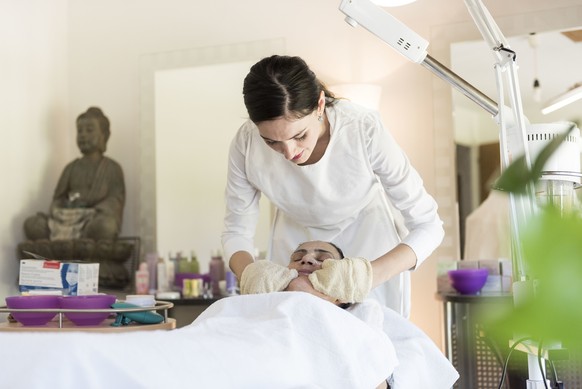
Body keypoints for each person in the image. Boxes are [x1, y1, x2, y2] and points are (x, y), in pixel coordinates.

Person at [222, 55, 444, 317]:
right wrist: (250, 273)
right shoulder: (246, 144)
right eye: (272, 142)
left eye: (299, 135)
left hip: (369, 242)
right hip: (294, 241)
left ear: (319, 105)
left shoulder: (363, 130)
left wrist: (364, 278)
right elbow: (236, 231)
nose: (289, 152)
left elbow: (429, 226)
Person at [23, 107, 125, 242]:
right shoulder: (71, 168)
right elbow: (57, 199)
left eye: (89, 130)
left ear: (103, 135)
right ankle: (71, 245)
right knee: (32, 224)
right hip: (65, 220)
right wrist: (65, 207)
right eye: (79, 131)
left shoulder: (112, 168)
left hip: (91, 221)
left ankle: (73, 246)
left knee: (106, 226)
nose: (83, 135)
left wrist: (93, 209)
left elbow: (115, 200)